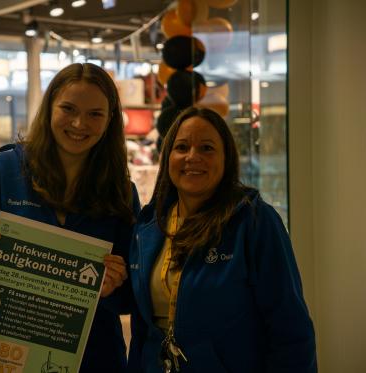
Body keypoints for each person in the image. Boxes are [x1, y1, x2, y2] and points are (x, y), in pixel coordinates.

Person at [0, 63, 140, 373]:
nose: (79, 123)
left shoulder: (121, 191)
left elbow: (133, 297)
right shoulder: (2, 171)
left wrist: (113, 288)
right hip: (10, 355)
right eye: (68, 108)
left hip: (96, 359)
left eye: (95, 114)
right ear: (49, 108)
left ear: (110, 120)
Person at [128, 107, 316, 372]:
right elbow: (142, 328)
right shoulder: (149, 225)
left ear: (226, 158)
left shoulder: (254, 221)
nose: (192, 157)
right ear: (167, 155)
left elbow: (290, 328)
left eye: (206, 148)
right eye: (182, 147)